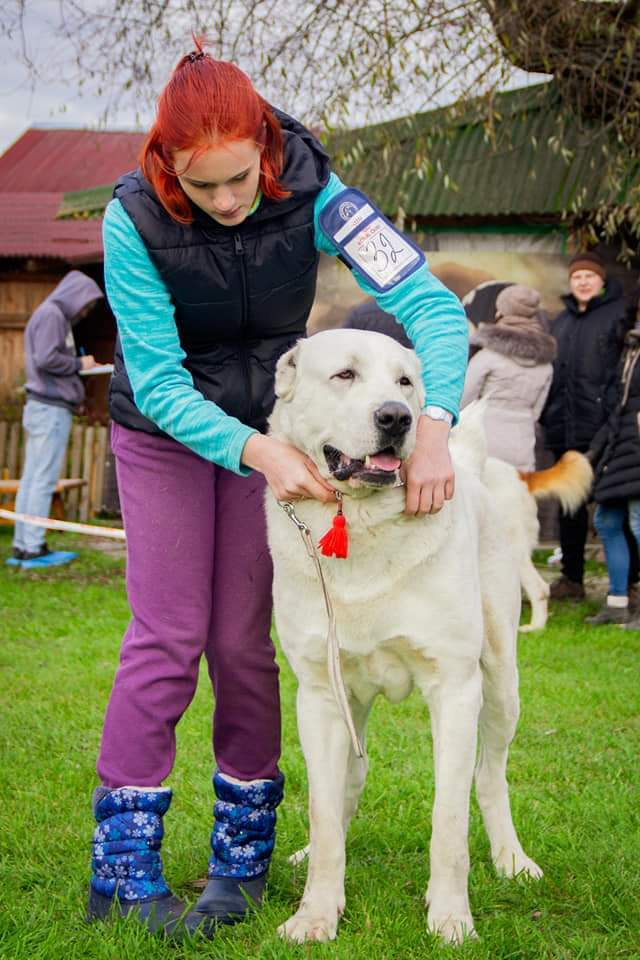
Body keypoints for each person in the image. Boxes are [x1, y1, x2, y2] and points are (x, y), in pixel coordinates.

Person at [89, 42, 469, 940]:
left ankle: (243, 857)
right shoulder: (130, 220)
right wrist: (257, 450)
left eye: (239, 179)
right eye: (201, 185)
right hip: (173, 431)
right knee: (171, 633)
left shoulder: (323, 195)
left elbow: (433, 308)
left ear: (265, 147)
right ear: (166, 164)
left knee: (248, 642)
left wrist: (438, 422)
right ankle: (124, 864)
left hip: (286, 429)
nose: (225, 202)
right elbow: (162, 376)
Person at [540, 251, 631, 600]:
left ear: (601, 281)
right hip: (566, 429)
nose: (582, 282)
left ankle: (629, 584)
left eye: (589, 277)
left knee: (614, 507)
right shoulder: (561, 320)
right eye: (577, 276)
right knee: (571, 507)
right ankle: (571, 579)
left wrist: (613, 419)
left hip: (606, 430)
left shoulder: (617, 316)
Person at [6, 271, 101, 569]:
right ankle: (33, 547)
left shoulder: (50, 314)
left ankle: (24, 545)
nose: (84, 312)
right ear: (75, 295)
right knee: (42, 479)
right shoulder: (53, 316)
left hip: (43, 407)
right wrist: (80, 364)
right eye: (85, 305)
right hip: (49, 409)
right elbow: (48, 359)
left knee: (34, 478)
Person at [460, 284, 555, 471]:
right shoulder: (546, 364)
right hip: (523, 446)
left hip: (483, 445)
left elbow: (463, 400)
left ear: (501, 310)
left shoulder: (488, 356)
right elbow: (536, 411)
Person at [585, 314, 640, 627]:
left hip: (634, 451)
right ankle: (617, 603)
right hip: (620, 450)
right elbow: (618, 408)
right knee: (607, 520)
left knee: (638, 521)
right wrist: (595, 449)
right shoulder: (629, 349)